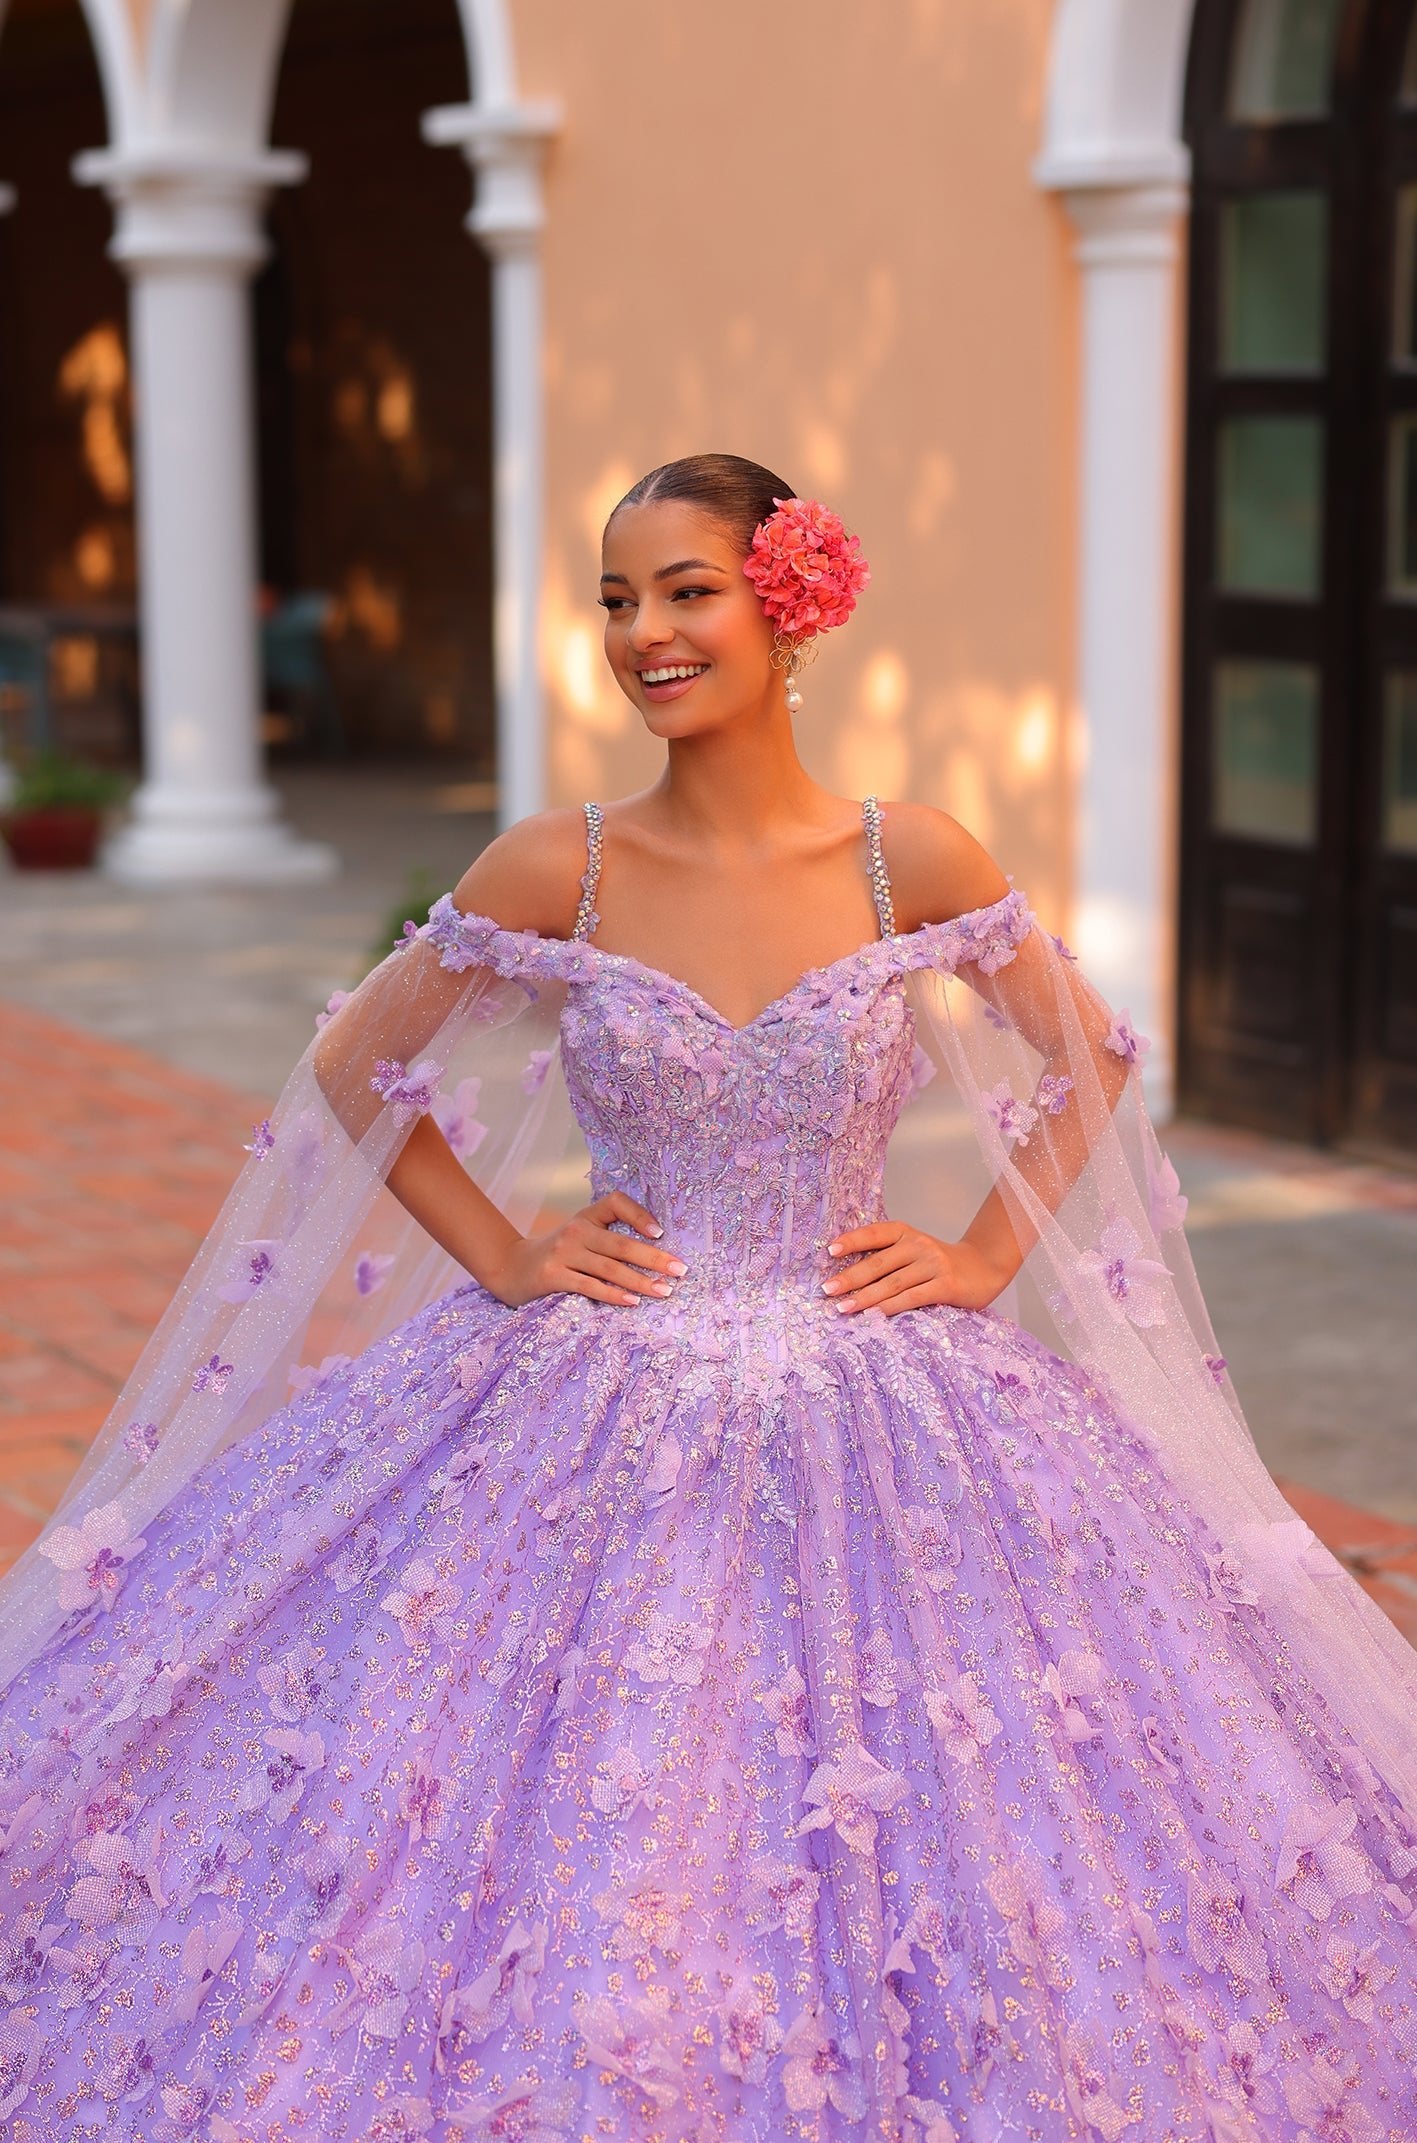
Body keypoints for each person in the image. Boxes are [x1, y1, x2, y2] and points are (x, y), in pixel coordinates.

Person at [1, 453, 1415, 2141]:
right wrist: (509, 1254)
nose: (643, 633)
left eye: (686, 589)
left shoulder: (911, 859)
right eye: (615, 598)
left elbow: (1091, 1053)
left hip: (877, 1385)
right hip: (592, 1392)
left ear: (786, 603)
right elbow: (356, 1064)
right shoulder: (561, 867)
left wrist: (975, 1258)